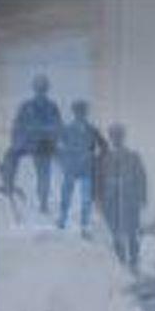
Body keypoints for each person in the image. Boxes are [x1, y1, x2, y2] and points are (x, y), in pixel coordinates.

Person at [2, 75, 62, 215]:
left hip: (44, 144)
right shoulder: (26, 106)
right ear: (34, 89)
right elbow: (17, 125)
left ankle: (43, 201)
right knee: (10, 155)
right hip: (28, 143)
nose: (40, 91)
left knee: (44, 171)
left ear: (46, 89)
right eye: (38, 88)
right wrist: (17, 142)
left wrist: (49, 137)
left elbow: (58, 127)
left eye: (43, 88)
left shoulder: (52, 107)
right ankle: (8, 184)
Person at [96, 123, 149, 270]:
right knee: (115, 232)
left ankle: (134, 262)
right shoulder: (104, 158)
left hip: (130, 200)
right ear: (110, 137)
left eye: (119, 135)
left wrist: (142, 197)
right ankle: (120, 263)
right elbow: (98, 180)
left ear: (123, 137)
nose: (116, 138)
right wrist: (99, 199)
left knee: (132, 232)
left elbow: (141, 177)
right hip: (111, 201)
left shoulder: (133, 156)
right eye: (114, 136)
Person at [56, 99, 106, 233]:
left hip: (86, 168)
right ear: (74, 113)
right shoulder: (67, 130)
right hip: (71, 167)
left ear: (86, 113)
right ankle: (62, 219)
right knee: (66, 194)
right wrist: (63, 162)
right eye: (78, 111)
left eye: (83, 111)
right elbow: (58, 148)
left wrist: (95, 159)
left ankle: (84, 223)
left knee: (86, 198)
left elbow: (104, 146)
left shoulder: (92, 130)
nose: (80, 114)